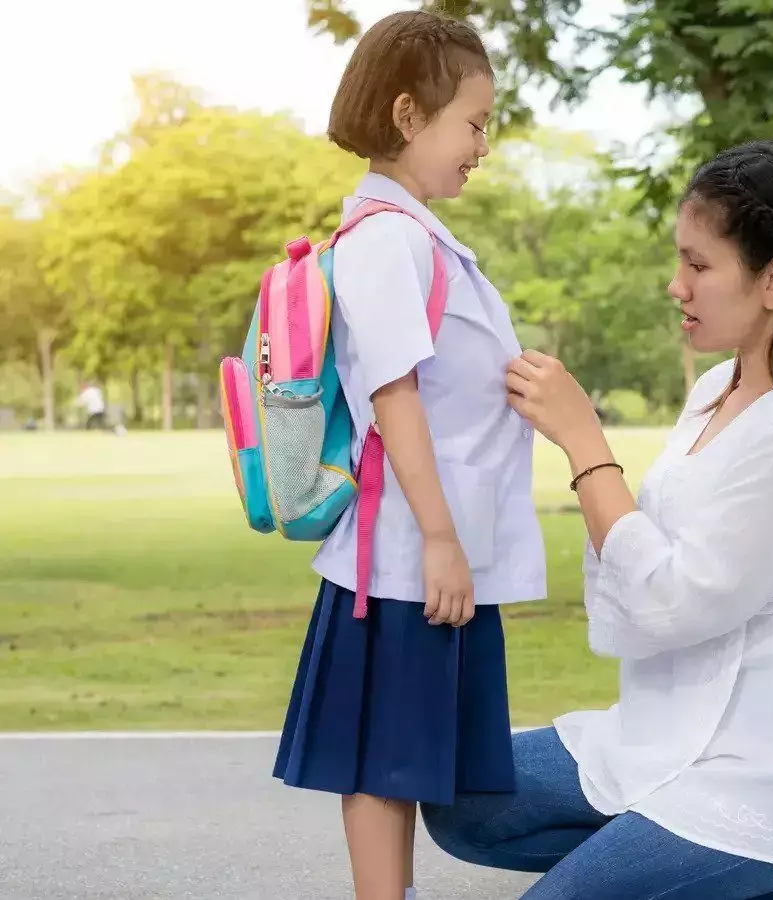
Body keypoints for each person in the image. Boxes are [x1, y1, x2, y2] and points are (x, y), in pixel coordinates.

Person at [421, 139, 773, 899]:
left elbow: (673, 600)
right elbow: (646, 550)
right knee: (464, 804)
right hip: (670, 724)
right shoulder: (716, 389)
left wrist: (584, 440)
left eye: (699, 264)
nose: (675, 284)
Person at [271, 12, 546, 900]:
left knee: (400, 759)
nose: (482, 146)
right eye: (472, 123)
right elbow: (394, 394)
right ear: (406, 115)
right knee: (385, 765)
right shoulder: (387, 240)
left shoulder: (415, 236)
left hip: (424, 548)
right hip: (404, 556)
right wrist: (438, 537)